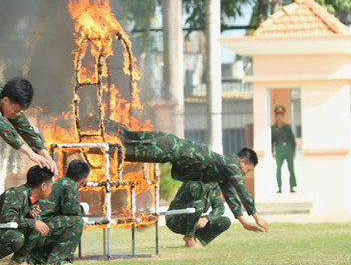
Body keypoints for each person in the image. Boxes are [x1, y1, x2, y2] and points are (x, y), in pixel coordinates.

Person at [105, 120, 268, 233]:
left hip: (168, 145)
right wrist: (256, 216)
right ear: (242, 162)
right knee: (122, 148)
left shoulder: (224, 171)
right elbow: (242, 192)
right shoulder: (232, 165)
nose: (245, 174)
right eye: (248, 169)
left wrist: (245, 223)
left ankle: (101, 125)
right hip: (169, 147)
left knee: (125, 140)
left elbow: (232, 197)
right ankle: (98, 127)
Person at [0, 166, 54, 265]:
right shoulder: (16, 194)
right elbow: (7, 218)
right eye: (51, 186)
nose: (52, 190)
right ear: (43, 186)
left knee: (37, 224)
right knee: (18, 237)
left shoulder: (28, 196)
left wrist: (29, 214)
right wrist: (33, 222)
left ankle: (17, 262)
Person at [28, 159, 90, 265]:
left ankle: (37, 257)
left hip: (32, 229)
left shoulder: (59, 182)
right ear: (83, 180)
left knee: (61, 221)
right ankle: (59, 260)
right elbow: (70, 209)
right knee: (76, 221)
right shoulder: (70, 184)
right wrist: (82, 208)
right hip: (38, 230)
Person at [167, 181, 232, 248]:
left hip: (192, 219)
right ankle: (190, 238)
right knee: (199, 205)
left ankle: (192, 236)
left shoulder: (214, 186)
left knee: (225, 221)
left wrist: (206, 219)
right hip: (175, 219)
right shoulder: (194, 182)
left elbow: (220, 208)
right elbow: (196, 205)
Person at [271, 105, 297, 193]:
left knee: (291, 168)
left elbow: (292, 139)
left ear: (283, 116)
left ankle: (292, 187)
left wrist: (294, 150)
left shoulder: (287, 127)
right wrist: (273, 151)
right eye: (278, 115)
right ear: (276, 116)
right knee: (278, 169)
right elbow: (272, 141)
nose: (280, 117)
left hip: (288, 149)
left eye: (281, 115)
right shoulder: (273, 128)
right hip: (279, 149)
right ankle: (279, 188)